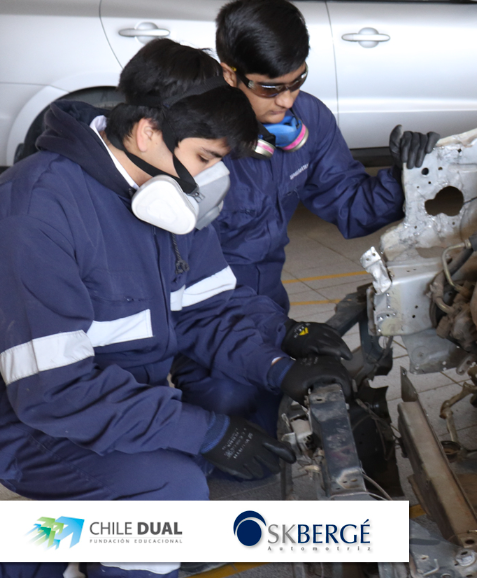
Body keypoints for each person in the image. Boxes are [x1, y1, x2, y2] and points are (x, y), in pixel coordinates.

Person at [0, 38, 350, 578]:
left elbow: (208, 313)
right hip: (31, 422)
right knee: (169, 487)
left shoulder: (163, 195)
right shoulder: (37, 212)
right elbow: (54, 393)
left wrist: (281, 366)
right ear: (147, 131)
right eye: (206, 158)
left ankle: (57, 557)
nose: (210, 181)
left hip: (112, 399)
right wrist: (208, 431)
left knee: (182, 460)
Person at [171, 0, 440, 434]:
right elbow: (190, 281)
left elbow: (349, 204)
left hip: (269, 301)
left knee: (282, 408)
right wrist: (281, 332)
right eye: (270, 89)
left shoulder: (307, 119)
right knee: (230, 404)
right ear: (229, 74)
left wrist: (405, 176)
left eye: (297, 82)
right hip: (207, 311)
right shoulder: (195, 142)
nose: (288, 100)